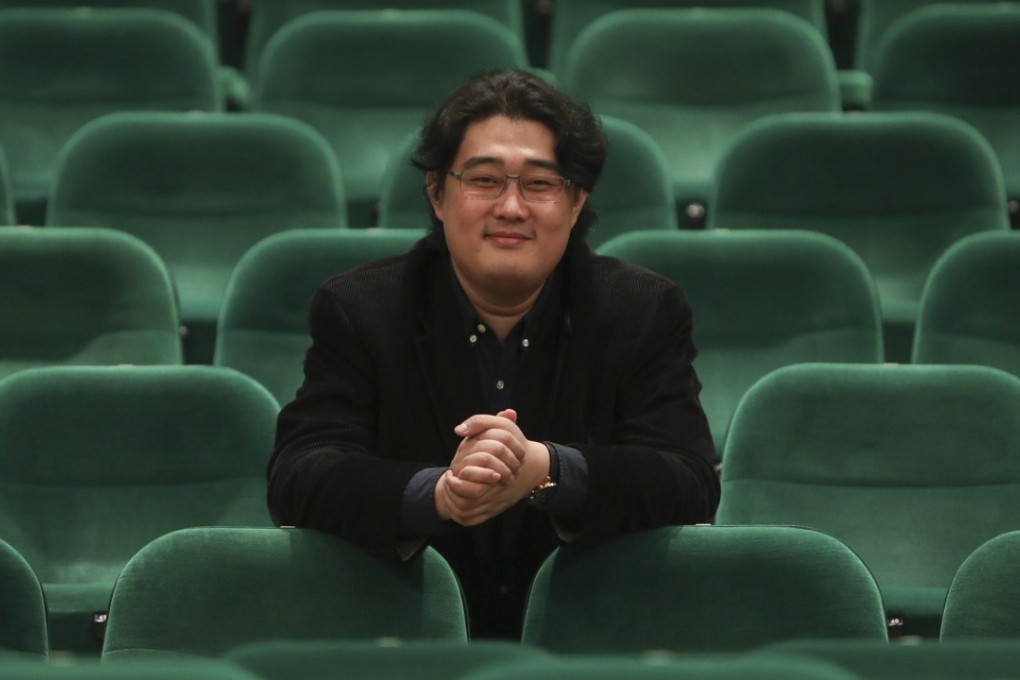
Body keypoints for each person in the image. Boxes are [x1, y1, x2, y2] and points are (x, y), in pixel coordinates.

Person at [267, 69, 719, 639]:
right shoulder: (361, 309)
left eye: (539, 184)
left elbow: (688, 480)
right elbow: (300, 476)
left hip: (590, 640)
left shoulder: (642, 311)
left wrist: (546, 470)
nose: (511, 207)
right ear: (437, 192)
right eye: (484, 180)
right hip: (405, 642)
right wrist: (439, 494)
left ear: (576, 202)